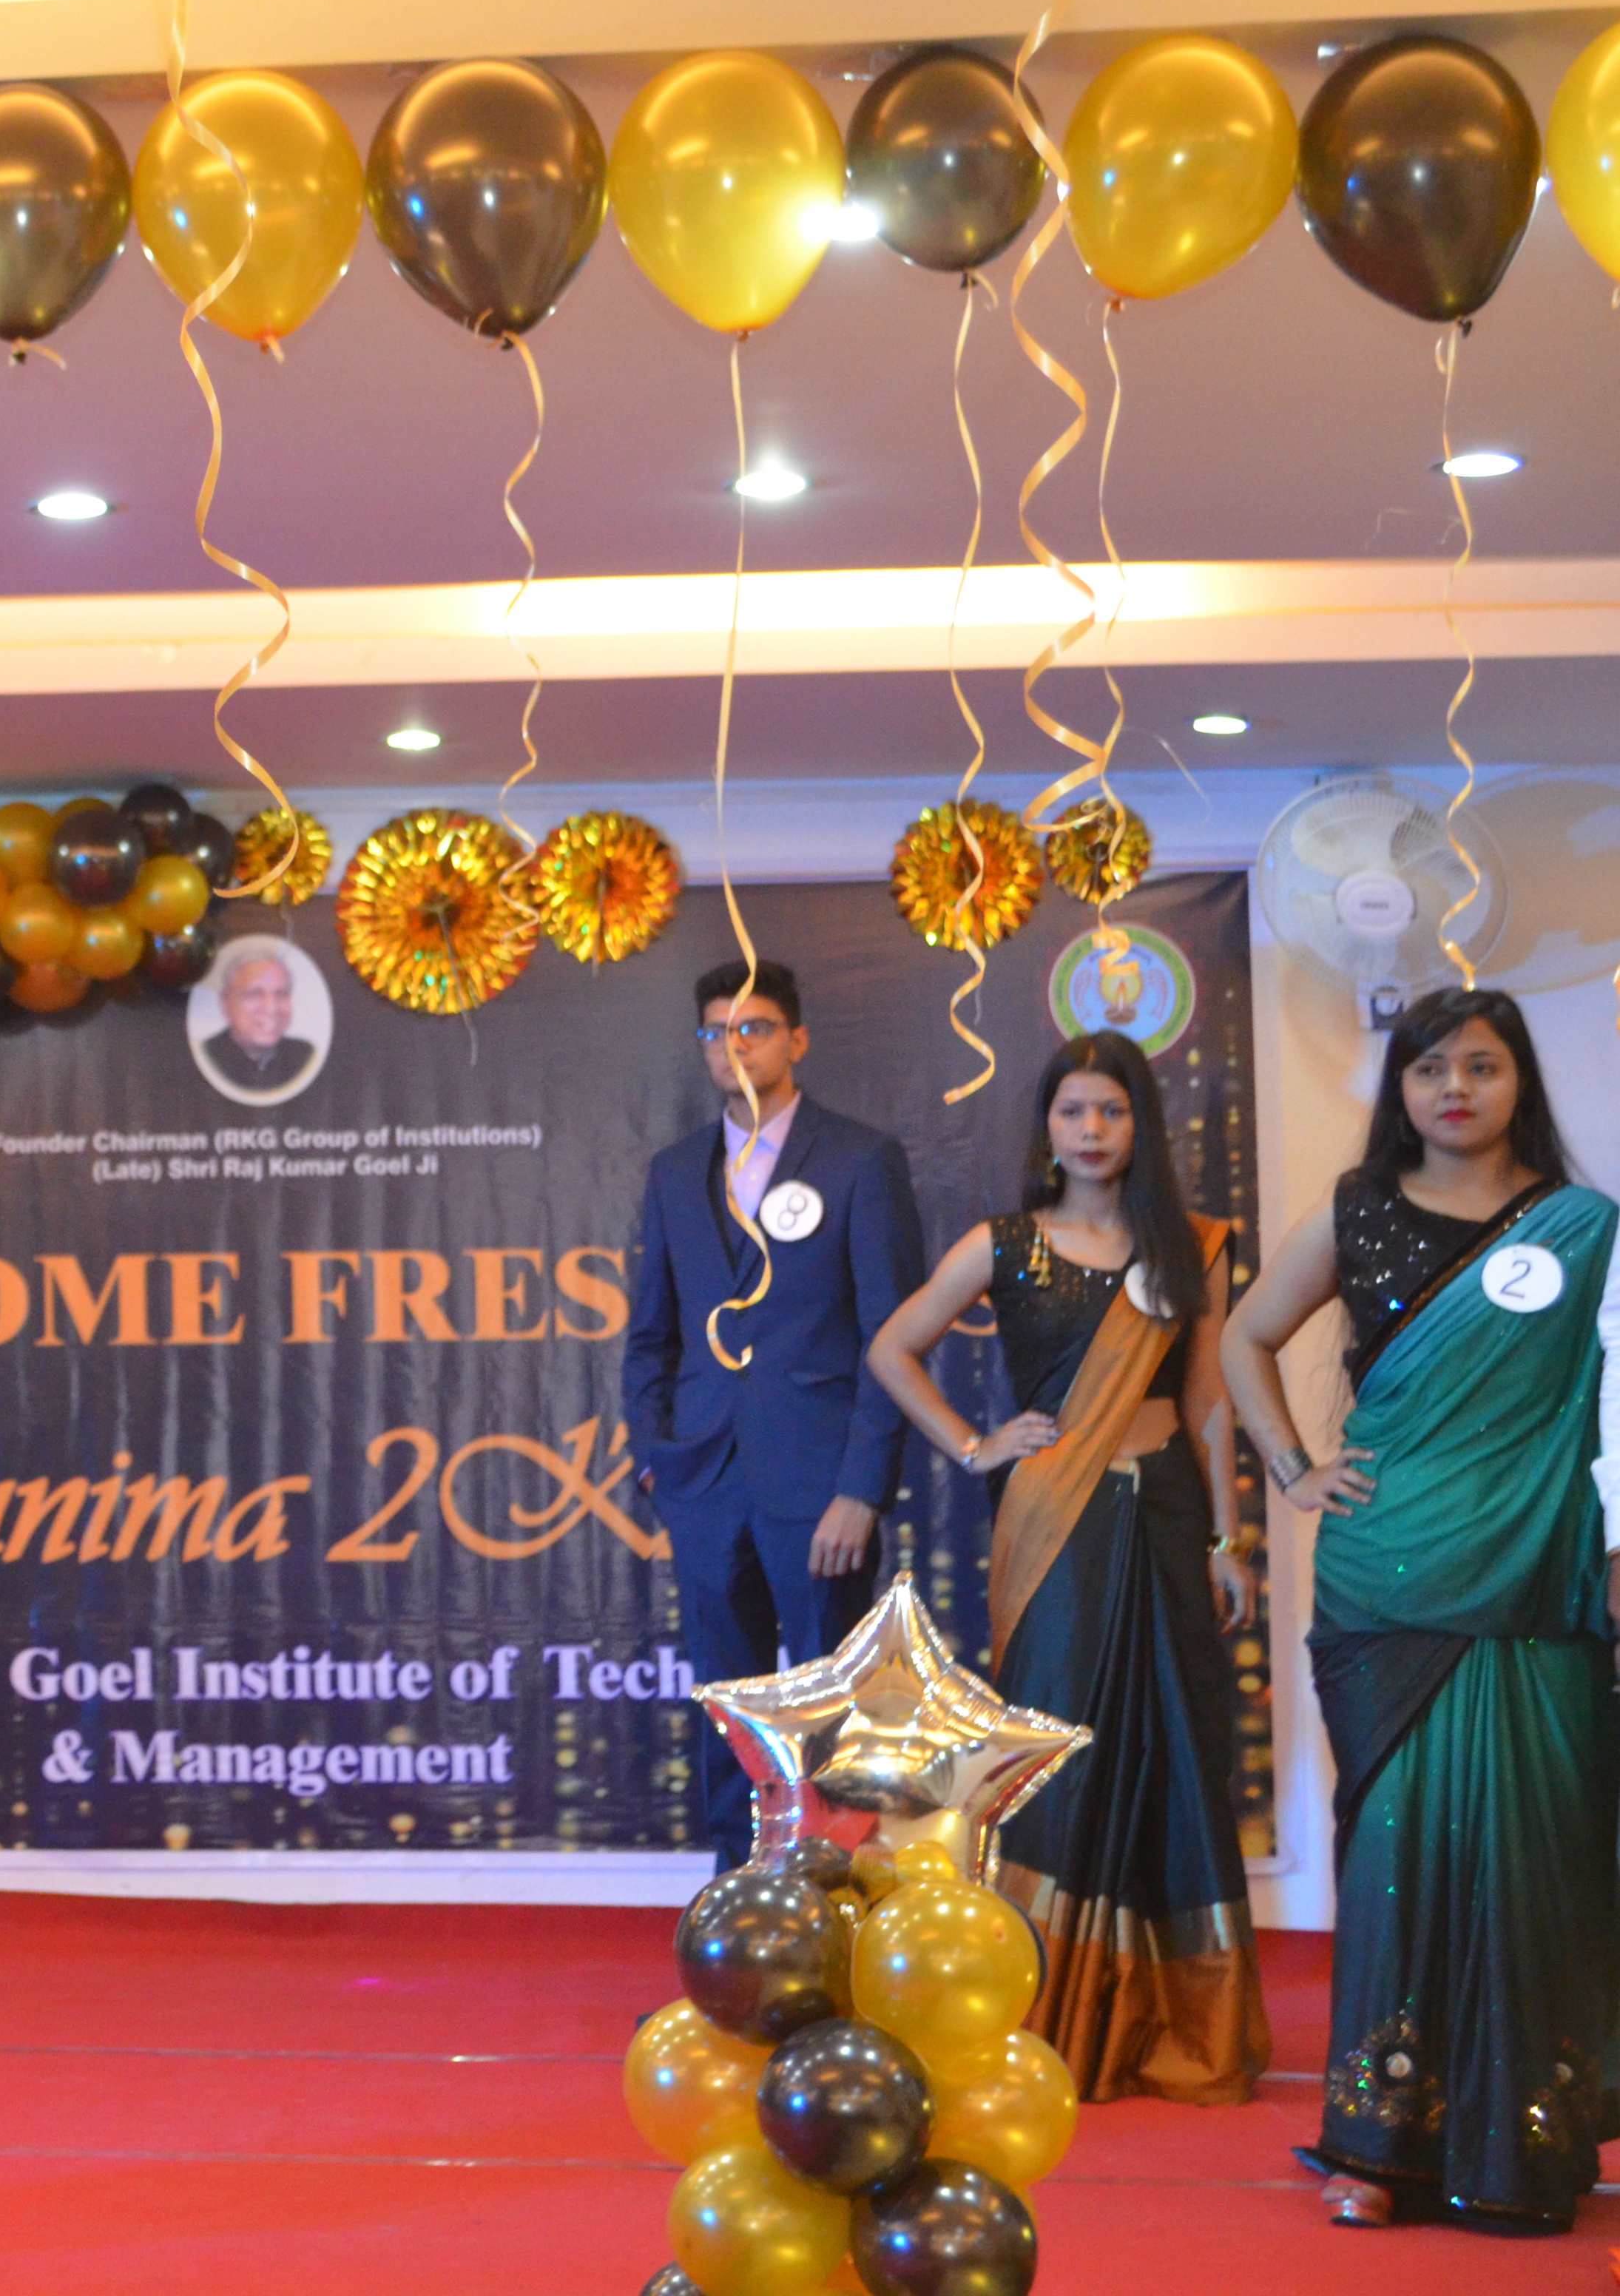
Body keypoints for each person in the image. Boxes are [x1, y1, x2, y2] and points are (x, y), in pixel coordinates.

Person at [1218, 987, 1619, 2235]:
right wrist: (1294, 1468)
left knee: (1532, 1853)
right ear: (1398, 1086)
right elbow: (1244, 1336)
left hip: (1538, 1576)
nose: (1455, 1088)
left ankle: (1524, 2135)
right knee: (1397, 1855)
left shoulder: (1583, 1227)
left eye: (1481, 1066)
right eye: (1429, 1066)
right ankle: (1378, 2141)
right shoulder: (1358, 1210)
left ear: (1518, 1082)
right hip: (1387, 1572)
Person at [865, 1032, 1266, 2104]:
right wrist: (973, 1444)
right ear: (1046, 1125)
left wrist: (1228, 1539)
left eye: (1112, 1111)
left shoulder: (1192, 1245)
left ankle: (1171, 2020)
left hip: (1169, 1514)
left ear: (1142, 1125)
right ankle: (1043, 2009)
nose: (1092, 1131)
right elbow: (891, 1348)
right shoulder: (1005, 1243)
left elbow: (1209, 1398)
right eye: (1073, 1111)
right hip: (1057, 1522)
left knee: (1176, 1745)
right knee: (1058, 1751)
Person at [622, 956, 926, 1866]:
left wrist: (861, 1489)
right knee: (728, 1704)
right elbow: (649, 1335)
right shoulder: (674, 1172)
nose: (734, 1047)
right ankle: (736, 1893)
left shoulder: (859, 1159)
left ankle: (837, 1890)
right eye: (715, 1032)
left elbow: (891, 1336)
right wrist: (658, 1457)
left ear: (796, 1040)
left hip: (820, 1483)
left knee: (832, 1707)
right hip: (704, 1482)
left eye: (752, 1028)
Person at [198, 945, 316, 1094]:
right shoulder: (208, 1056)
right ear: (226, 1002)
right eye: (255, 994)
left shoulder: (304, 1056)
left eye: (281, 994)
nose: (271, 1008)